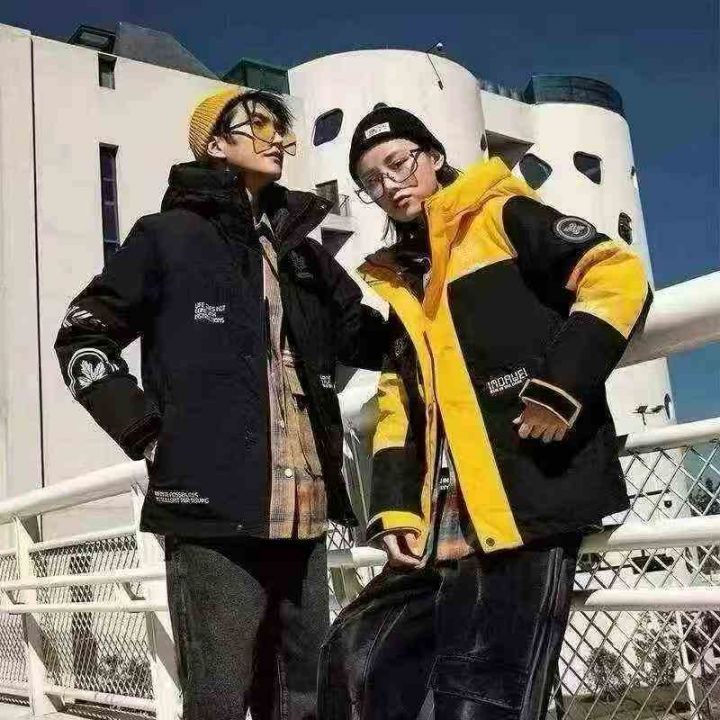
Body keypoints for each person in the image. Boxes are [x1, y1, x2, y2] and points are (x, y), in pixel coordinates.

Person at [55, 87, 387, 720]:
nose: (276, 138)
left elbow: (366, 337)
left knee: (308, 700)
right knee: (218, 702)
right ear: (214, 143)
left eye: (280, 128)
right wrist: (147, 433)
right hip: (209, 510)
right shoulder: (166, 237)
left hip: (306, 511)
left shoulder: (304, 252)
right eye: (257, 125)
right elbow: (82, 336)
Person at [318, 106, 652, 719]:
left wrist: (560, 387)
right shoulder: (403, 278)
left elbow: (617, 273)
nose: (389, 184)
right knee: (356, 658)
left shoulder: (500, 214)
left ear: (432, 156)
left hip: (523, 493)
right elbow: (399, 397)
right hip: (439, 512)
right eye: (371, 180)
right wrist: (394, 507)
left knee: (482, 700)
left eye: (399, 163)